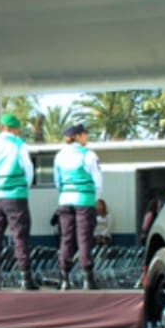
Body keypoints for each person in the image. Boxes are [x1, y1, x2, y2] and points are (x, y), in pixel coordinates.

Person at [0, 113, 37, 290]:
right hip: (16, 197)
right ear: (14, 129)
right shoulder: (19, 145)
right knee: (20, 237)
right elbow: (28, 170)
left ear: (1, 128)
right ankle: (25, 279)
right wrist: (22, 188)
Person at [53, 123, 102, 290]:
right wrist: (94, 198)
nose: (87, 137)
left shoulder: (59, 156)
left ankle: (64, 278)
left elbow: (57, 181)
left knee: (66, 238)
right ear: (79, 136)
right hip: (84, 201)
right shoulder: (89, 155)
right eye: (85, 134)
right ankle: (87, 279)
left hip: (65, 200)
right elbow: (97, 181)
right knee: (84, 239)